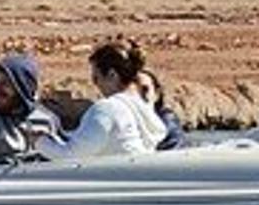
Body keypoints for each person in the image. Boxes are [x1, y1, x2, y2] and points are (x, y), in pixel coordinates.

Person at [35, 39, 167, 161]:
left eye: (96, 78)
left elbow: (71, 155)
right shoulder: (142, 106)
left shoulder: (108, 109)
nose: (96, 85)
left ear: (112, 75)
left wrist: (38, 141)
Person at [136, 67, 187, 150]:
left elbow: (175, 150)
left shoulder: (167, 122)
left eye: (145, 89)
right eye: (133, 90)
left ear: (157, 94)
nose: (138, 95)